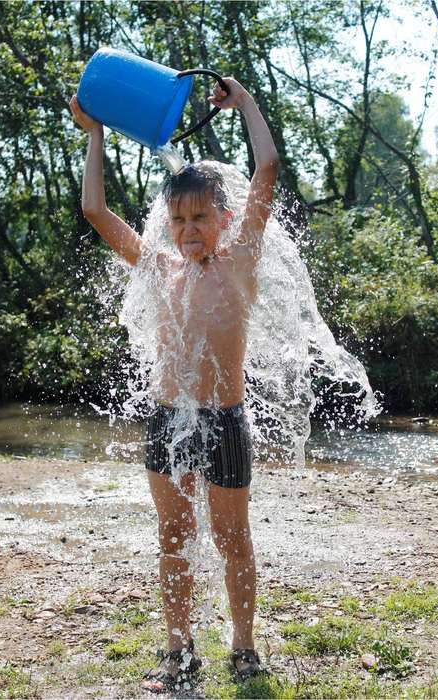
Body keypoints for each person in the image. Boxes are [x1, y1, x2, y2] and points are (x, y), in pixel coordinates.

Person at [69, 76, 279, 692]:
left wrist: (245, 103)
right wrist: (96, 134)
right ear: (167, 221)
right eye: (178, 218)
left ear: (225, 217)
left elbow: (266, 165)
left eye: (201, 217)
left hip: (223, 420)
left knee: (232, 538)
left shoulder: (240, 260)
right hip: (168, 419)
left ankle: (243, 648)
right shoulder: (157, 268)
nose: (189, 228)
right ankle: (179, 650)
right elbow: (93, 210)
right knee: (173, 538)